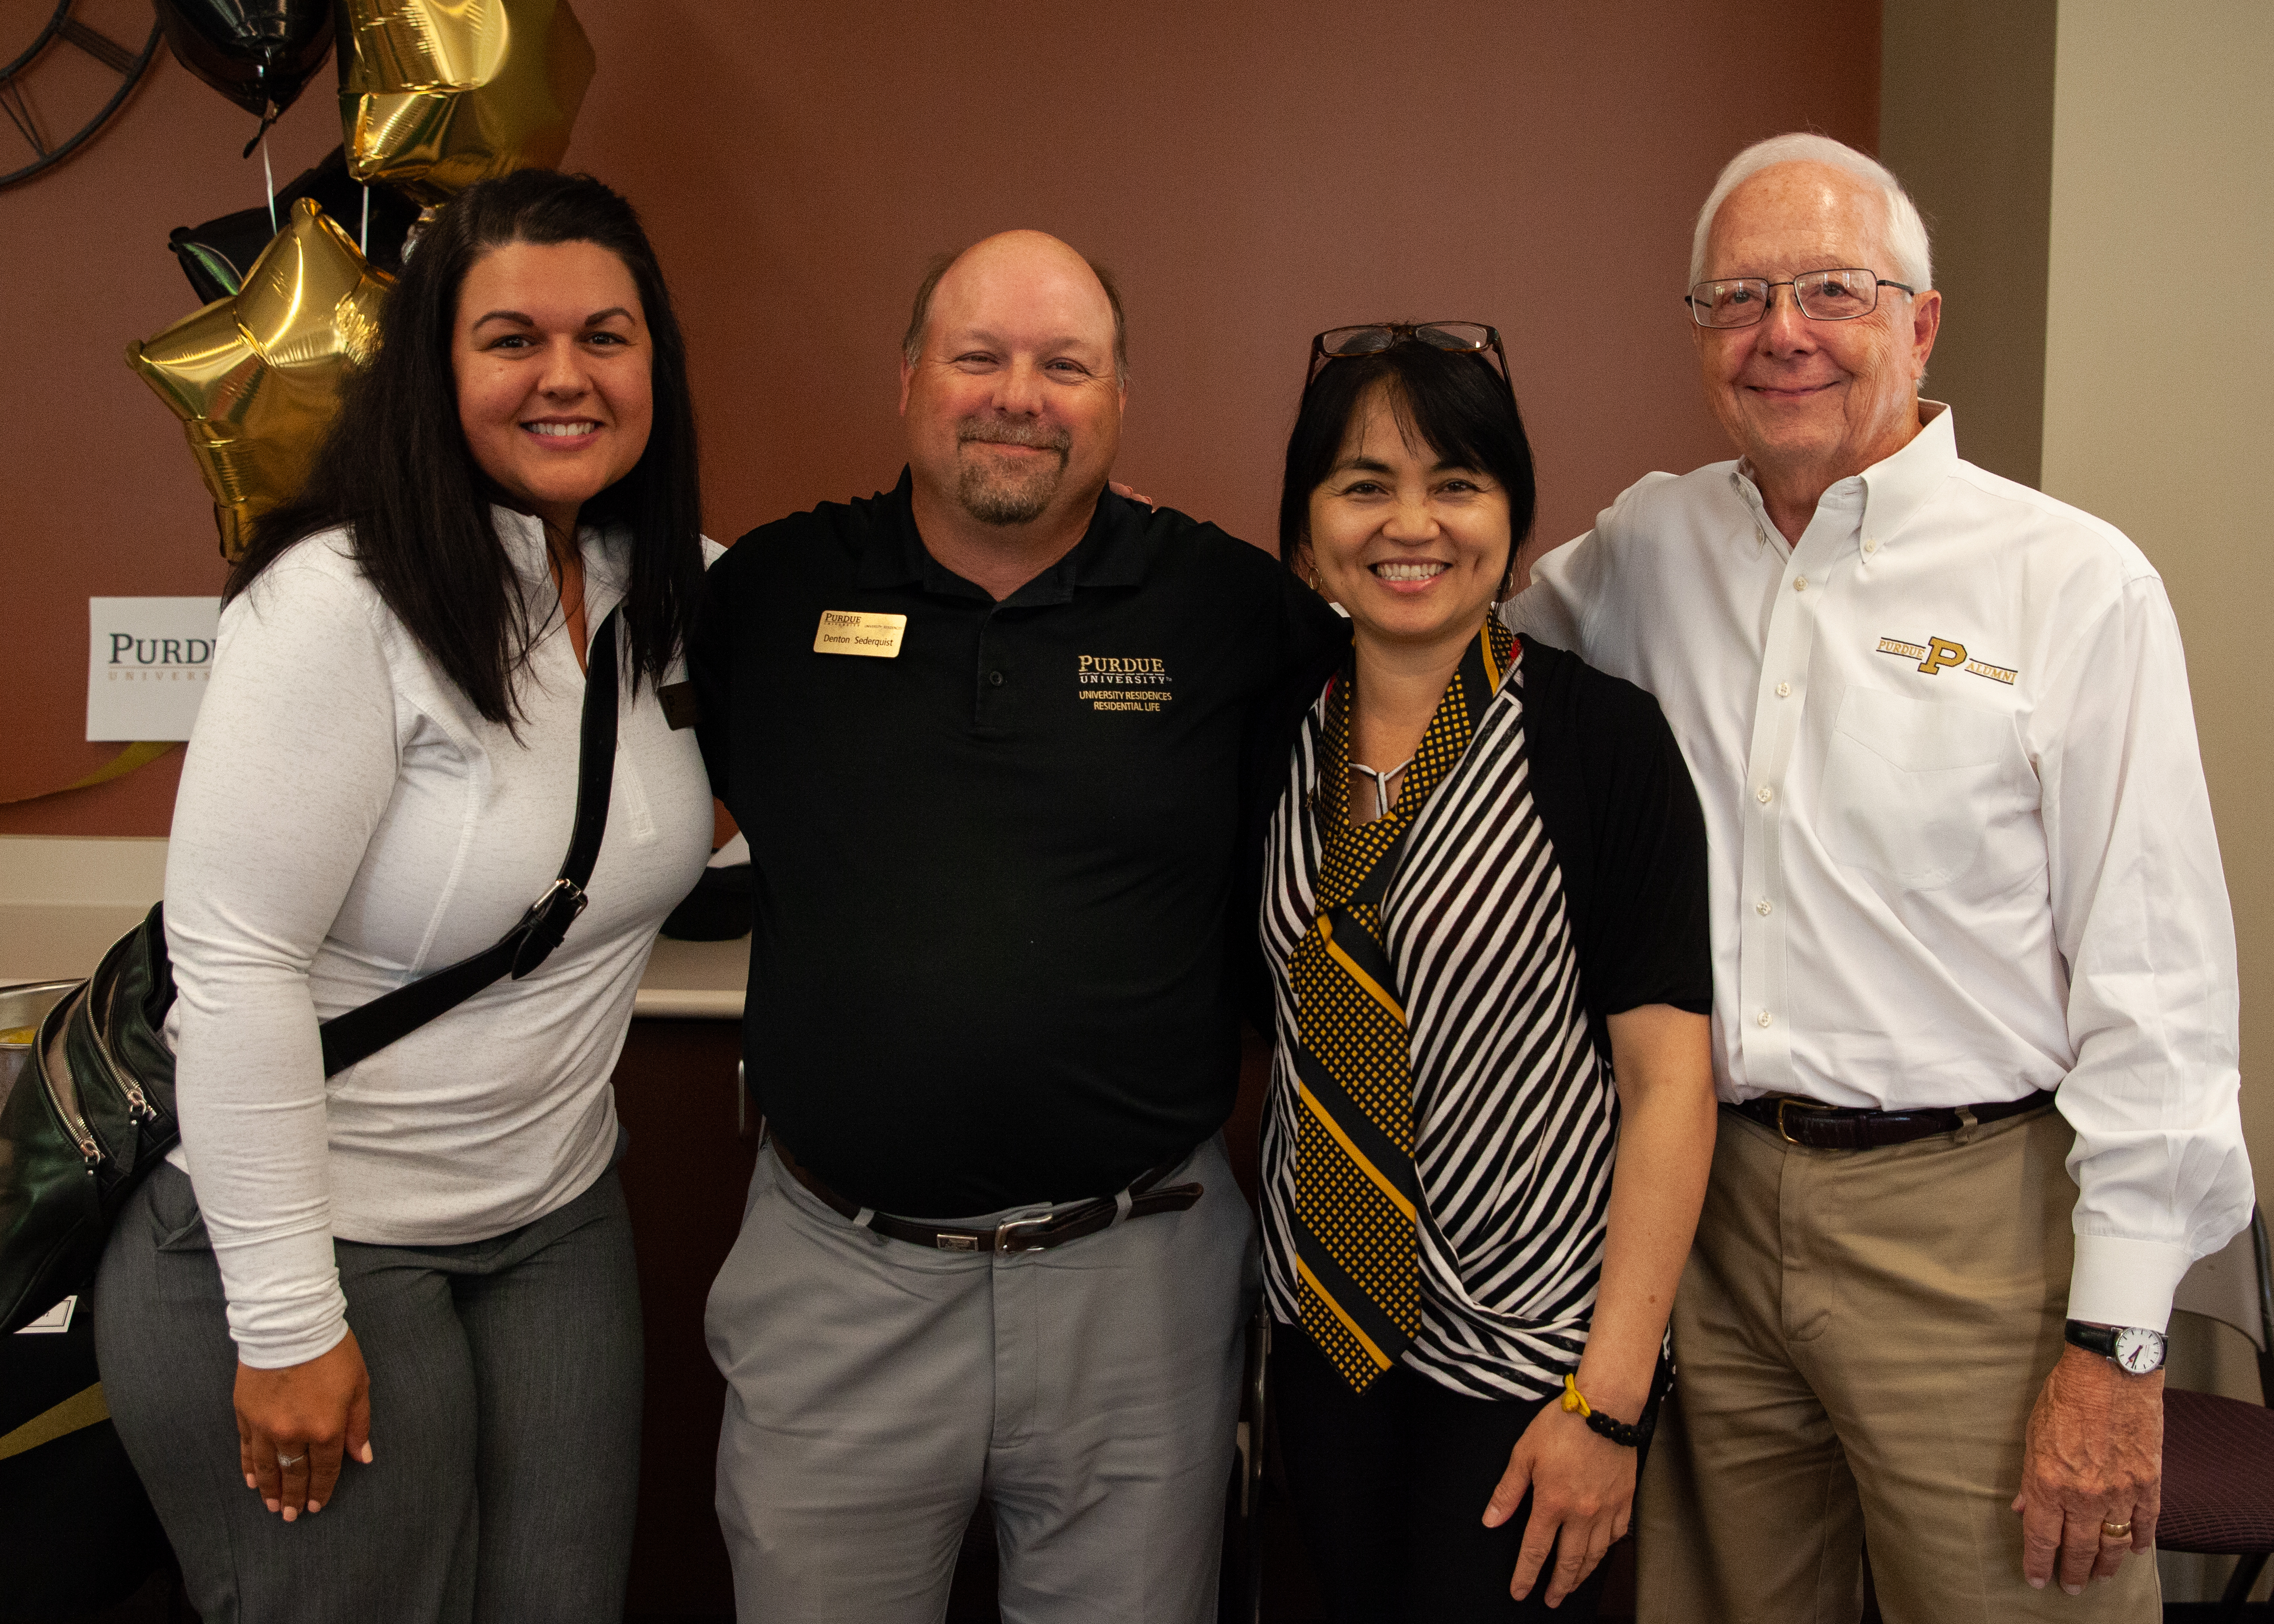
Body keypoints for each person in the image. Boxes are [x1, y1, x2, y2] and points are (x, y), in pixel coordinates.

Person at [1510, 132, 2251, 1621]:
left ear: (1920, 322)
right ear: (1702, 337)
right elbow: (1453, 634)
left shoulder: (2072, 583)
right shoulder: (1648, 549)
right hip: (1713, 1230)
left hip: (1976, 1239)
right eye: (1738, 298)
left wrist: (2118, 1350)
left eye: (1833, 290)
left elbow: (2157, 991)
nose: (1783, 332)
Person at [688, 229, 1348, 1622]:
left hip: (1139, 1288)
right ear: (910, 377)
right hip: (838, 1282)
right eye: (980, 357)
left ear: (1119, 401)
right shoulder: (771, 594)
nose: (1018, 395)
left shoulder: (1231, 612)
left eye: (1067, 366)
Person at [93, 170, 719, 1623]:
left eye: (605, 337)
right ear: (438, 368)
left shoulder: (669, 587)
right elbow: (234, 968)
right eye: (511, 339)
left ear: (654, 368)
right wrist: (289, 1320)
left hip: (555, 1227)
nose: (564, 376)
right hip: (314, 1238)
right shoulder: (337, 601)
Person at [1256, 325, 1716, 1621]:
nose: (1413, 522)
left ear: (1515, 526)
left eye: (1456, 482)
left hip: (1535, 1362)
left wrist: (1611, 1400)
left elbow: (1667, 1082)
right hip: (1326, 1334)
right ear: (1304, 535)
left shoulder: (1600, 742)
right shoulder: (1271, 733)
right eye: (1363, 485)